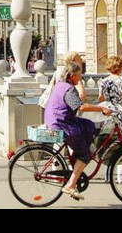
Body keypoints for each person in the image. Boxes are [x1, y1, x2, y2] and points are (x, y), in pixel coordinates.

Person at [45, 61, 112, 200]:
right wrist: (101, 108)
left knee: (88, 125)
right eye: (79, 76)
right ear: (71, 75)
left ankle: (76, 158)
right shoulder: (68, 89)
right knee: (86, 154)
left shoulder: (60, 85)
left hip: (57, 119)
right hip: (61, 124)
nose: (80, 78)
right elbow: (79, 106)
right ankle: (71, 184)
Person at [98, 56, 122, 136]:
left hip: (108, 113)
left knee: (107, 139)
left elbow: (101, 99)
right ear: (120, 67)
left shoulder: (103, 81)